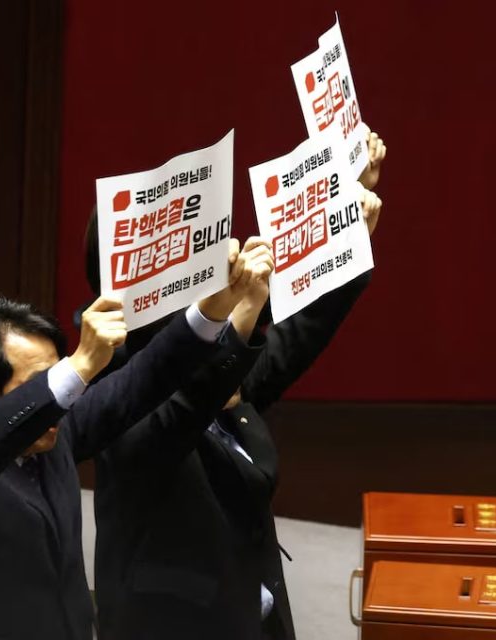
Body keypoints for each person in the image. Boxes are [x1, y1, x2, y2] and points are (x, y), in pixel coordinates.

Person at [0, 240, 273, 640]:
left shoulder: (54, 433)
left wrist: (211, 311)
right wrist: (79, 366)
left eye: (56, 376)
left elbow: (145, 377)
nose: (57, 401)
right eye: (38, 384)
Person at [91, 131, 387, 639]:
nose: (224, 256)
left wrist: (344, 223)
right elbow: (189, 403)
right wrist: (243, 310)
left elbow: (290, 344)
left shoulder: (214, 360)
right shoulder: (118, 385)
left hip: (253, 609)